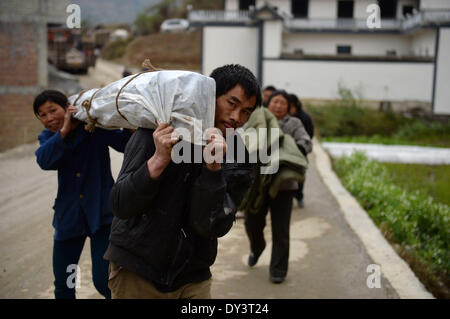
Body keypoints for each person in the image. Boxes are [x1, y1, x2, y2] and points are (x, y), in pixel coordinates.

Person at [104, 64, 262, 299]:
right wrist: (157, 161)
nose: (236, 118)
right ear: (210, 95)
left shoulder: (238, 155)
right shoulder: (159, 132)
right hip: (137, 271)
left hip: (193, 279)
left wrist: (213, 170)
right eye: (232, 103)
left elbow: (212, 225)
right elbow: (120, 205)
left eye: (246, 111)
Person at [34, 90, 132, 299]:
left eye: (53, 110)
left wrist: (130, 123)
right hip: (69, 222)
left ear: (67, 107)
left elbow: (125, 144)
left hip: (102, 218)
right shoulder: (49, 138)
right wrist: (64, 130)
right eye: (42, 115)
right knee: (65, 283)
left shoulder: (93, 129)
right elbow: (44, 161)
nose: (49, 118)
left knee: (104, 281)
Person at [245, 89, 311, 284]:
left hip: (284, 185)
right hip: (258, 182)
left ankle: (278, 270)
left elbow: (306, 143)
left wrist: (288, 151)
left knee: (281, 229)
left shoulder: (294, 123)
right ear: (268, 103)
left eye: (283, 103)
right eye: (275, 102)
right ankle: (257, 248)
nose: (279, 106)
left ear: (289, 107)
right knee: (252, 222)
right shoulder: (258, 120)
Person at [288, 93, 315, 207]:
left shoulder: (303, 118)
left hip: (299, 153)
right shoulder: (287, 116)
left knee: (299, 176)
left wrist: (300, 146)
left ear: (292, 105)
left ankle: (299, 197)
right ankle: (289, 198)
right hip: (288, 153)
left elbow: (309, 135)